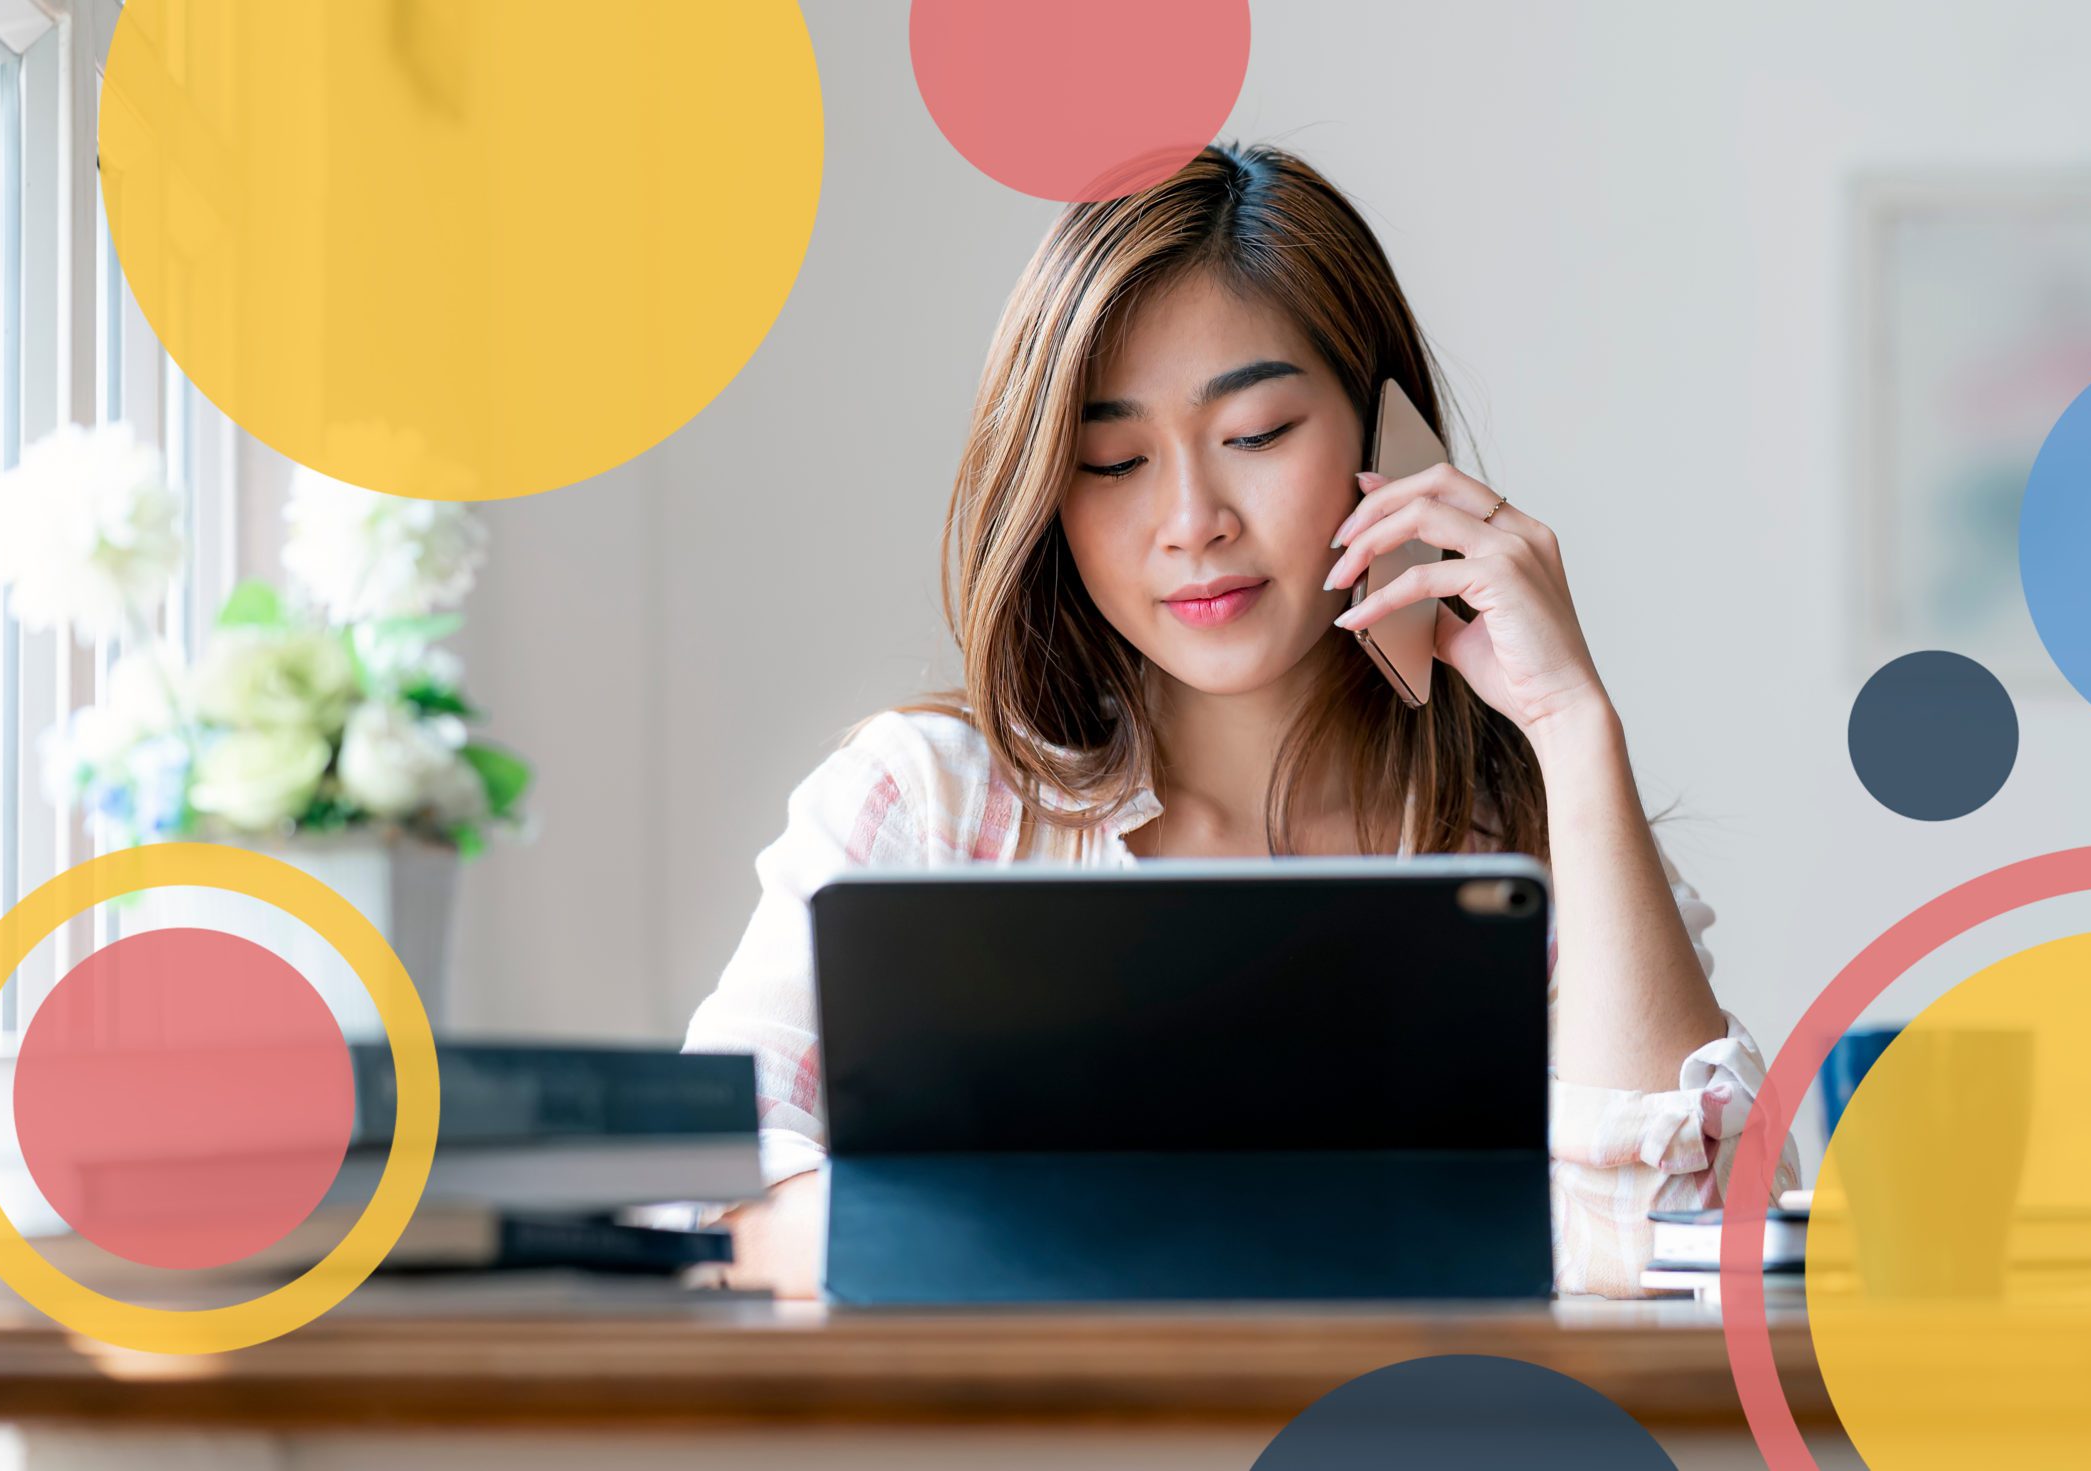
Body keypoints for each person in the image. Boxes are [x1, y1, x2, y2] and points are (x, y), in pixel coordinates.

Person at [682, 140, 1800, 1298]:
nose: (1190, 520)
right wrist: (1170, 1233)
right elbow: (700, 1191)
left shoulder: (1537, 833)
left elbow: (1690, 1247)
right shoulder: (930, 802)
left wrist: (1572, 725)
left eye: (1257, 435)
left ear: (1385, 434)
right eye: (1112, 459)